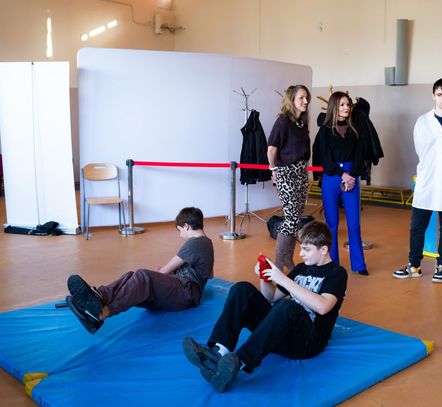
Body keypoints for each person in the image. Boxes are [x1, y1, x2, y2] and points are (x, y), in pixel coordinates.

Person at [182, 221, 347, 392]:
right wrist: (265, 276)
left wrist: (283, 279)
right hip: (279, 333)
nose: (301, 254)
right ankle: (218, 352)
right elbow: (271, 297)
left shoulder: (337, 273)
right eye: (301, 248)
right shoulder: (301, 269)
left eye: (306, 249)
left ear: (323, 249)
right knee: (242, 288)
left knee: (287, 306)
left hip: (307, 342)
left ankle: (238, 363)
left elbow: (323, 307)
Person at [65, 207, 214, 334]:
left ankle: (102, 313)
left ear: (186, 226)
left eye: (180, 231)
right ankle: (99, 296)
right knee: (132, 275)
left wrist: (161, 274)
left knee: (143, 277)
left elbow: (165, 270)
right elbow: (207, 273)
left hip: (186, 294)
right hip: (185, 292)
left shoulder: (196, 243)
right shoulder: (205, 243)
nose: (181, 235)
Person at [393, 78, 442, 283]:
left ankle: (441, 267)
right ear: (433, 96)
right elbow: (420, 150)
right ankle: (414, 266)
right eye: (440, 94)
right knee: (417, 226)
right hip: (427, 180)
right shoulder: (422, 122)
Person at [313, 91, 368, 275]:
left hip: (352, 177)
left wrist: (351, 176)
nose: (346, 108)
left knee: (354, 223)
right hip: (332, 177)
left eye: (348, 104)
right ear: (334, 107)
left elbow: (360, 155)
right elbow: (324, 157)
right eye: (342, 105)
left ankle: (359, 264)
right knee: (332, 223)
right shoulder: (325, 130)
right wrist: (342, 174)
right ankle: (332, 264)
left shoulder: (355, 129)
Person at [267, 85, 311, 273]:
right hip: (286, 172)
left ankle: (287, 259)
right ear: (291, 100)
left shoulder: (301, 123)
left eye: (306, 98)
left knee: (296, 218)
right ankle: (279, 264)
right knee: (291, 217)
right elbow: (271, 149)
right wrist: (273, 169)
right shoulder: (283, 121)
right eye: (301, 98)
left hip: (301, 172)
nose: (306, 101)